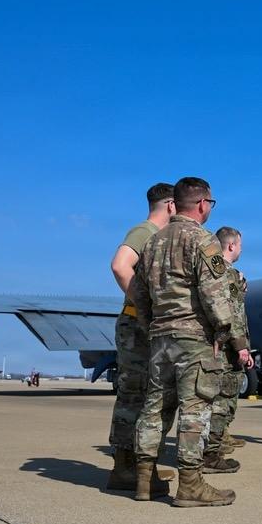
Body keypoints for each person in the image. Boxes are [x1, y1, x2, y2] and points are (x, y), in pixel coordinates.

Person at [129, 177, 253, 507]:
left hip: (161, 339)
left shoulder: (153, 242)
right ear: (202, 204)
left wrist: (151, 325)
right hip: (194, 340)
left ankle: (144, 479)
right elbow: (215, 298)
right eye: (210, 203)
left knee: (154, 409)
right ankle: (190, 484)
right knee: (194, 411)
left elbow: (138, 293)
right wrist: (225, 335)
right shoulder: (202, 240)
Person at [105, 182, 176, 493]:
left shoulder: (156, 237)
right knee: (135, 395)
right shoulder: (145, 231)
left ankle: (136, 466)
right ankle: (124, 469)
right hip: (136, 327)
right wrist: (146, 307)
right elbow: (120, 266)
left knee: (146, 395)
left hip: (140, 326)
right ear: (171, 206)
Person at [200, 226, 250, 469]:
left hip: (224, 345)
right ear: (231, 245)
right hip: (227, 348)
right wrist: (241, 346)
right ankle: (211, 455)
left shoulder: (225, 274)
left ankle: (211, 449)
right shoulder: (226, 274)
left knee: (220, 401)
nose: (241, 249)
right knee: (221, 403)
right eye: (240, 244)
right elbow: (232, 314)